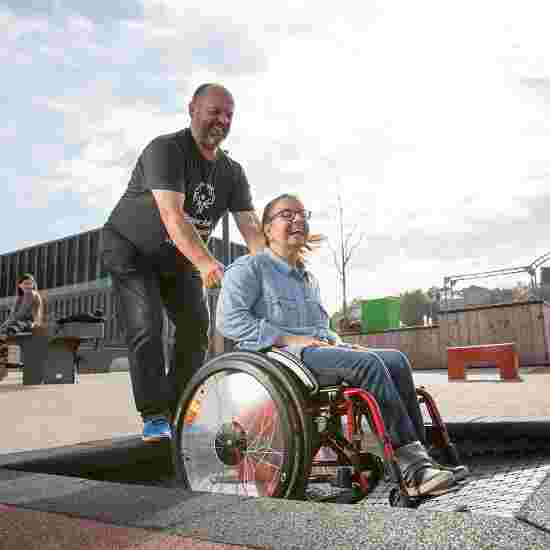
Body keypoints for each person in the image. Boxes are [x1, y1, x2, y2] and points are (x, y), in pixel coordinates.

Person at [217, 193, 460, 497]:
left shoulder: (308, 279)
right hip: (279, 360)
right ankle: (412, 468)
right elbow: (229, 321)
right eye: (287, 214)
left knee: (395, 359)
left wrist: (343, 346)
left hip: (316, 354)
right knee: (369, 365)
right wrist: (287, 338)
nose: (297, 220)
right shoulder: (248, 269)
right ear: (266, 229)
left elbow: (322, 330)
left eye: (302, 214)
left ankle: (424, 460)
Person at [102, 83, 265, 443]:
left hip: (178, 257)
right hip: (131, 250)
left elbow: (251, 227)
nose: (221, 120)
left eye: (228, 114)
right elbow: (174, 218)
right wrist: (207, 264)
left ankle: (179, 409)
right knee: (147, 326)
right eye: (213, 111)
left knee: (195, 327)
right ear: (192, 109)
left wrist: (270, 269)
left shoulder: (232, 172)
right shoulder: (166, 150)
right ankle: (154, 415)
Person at [0, 274, 44, 359]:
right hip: (20, 323)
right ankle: (6, 357)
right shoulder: (20, 297)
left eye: (30, 283)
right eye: (25, 283)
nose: (28, 286)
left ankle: (8, 358)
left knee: (7, 331)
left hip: (29, 323)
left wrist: (5, 325)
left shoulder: (31, 294)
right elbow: (12, 315)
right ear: (20, 285)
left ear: (33, 285)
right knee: (4, 331)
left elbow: (21, 314)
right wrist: (3, 325)